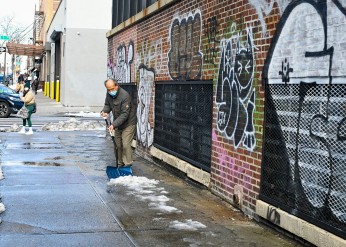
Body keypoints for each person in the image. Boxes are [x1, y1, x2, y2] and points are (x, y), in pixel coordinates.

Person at [101, 78, 137, 167]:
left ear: (117, 86)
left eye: (112, 89)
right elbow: (107, 105)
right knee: (118, 145)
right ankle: (120, 165)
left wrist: (113, 124)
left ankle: (128, 165)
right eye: (108, 89)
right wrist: (105, 111)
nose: (110, 91)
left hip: (128, 123)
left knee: (125, 144)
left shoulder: (125, 96)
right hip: (118, 123)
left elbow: (125, 114)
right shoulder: (109, 94)